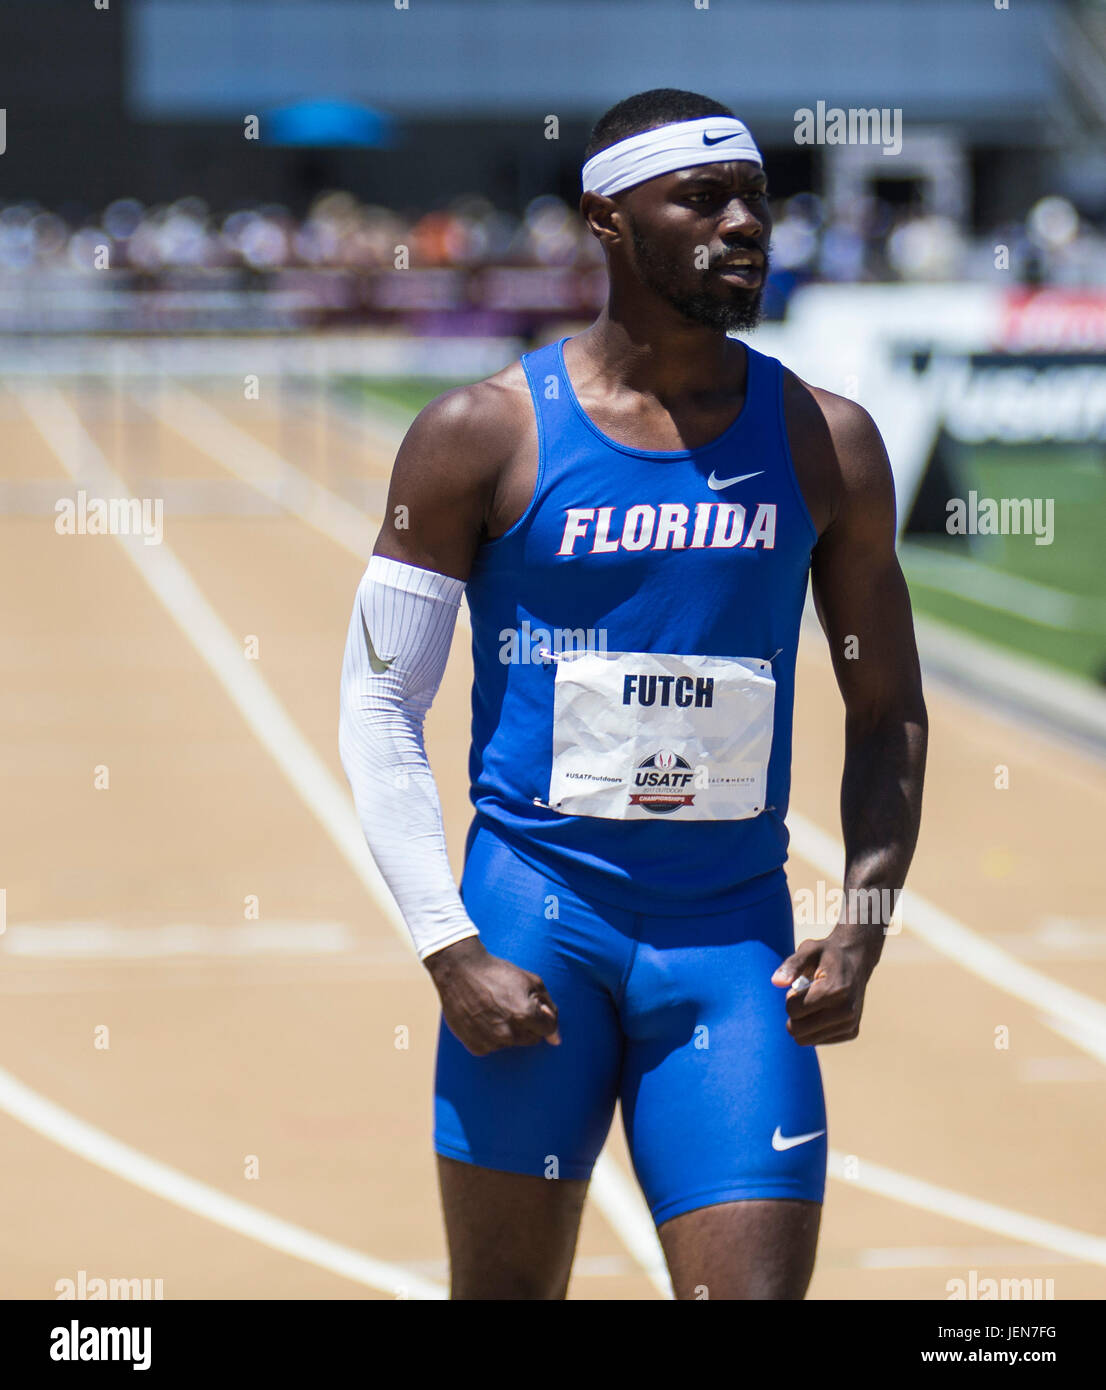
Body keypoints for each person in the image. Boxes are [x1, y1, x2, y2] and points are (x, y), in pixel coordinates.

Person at [339, 87, 928, 1300]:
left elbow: (888, 712)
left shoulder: (828, 442)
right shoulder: (479, 435)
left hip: (731, 945)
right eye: (702, 198)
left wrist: (862, 919)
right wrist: (446, 944)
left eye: (756, 199)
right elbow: (377, 702)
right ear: (606, 219)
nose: (743, 225)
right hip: (529, 928)